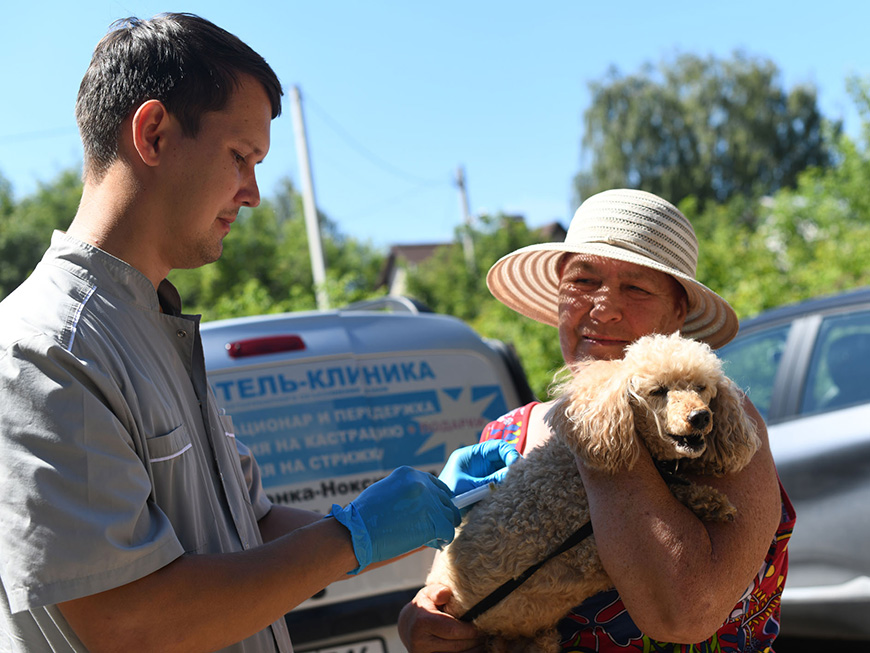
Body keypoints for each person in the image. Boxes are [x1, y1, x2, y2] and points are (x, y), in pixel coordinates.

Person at [0, 14, 516, 653]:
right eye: (241, 157)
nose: (253, 194)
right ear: (153, 133)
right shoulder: (45, 350)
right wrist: (352, 537)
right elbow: (128, 621)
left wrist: (432, 514)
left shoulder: (153, 330)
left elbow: (257, 527)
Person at [398, 189, 797, 652]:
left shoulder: (715, 422)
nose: (603, 308)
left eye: (636, 288)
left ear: (678, 314)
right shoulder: (506, 432)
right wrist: (425, 622)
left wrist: (599, 431)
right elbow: (462, 579)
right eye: (583, 281)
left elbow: (684, 615)